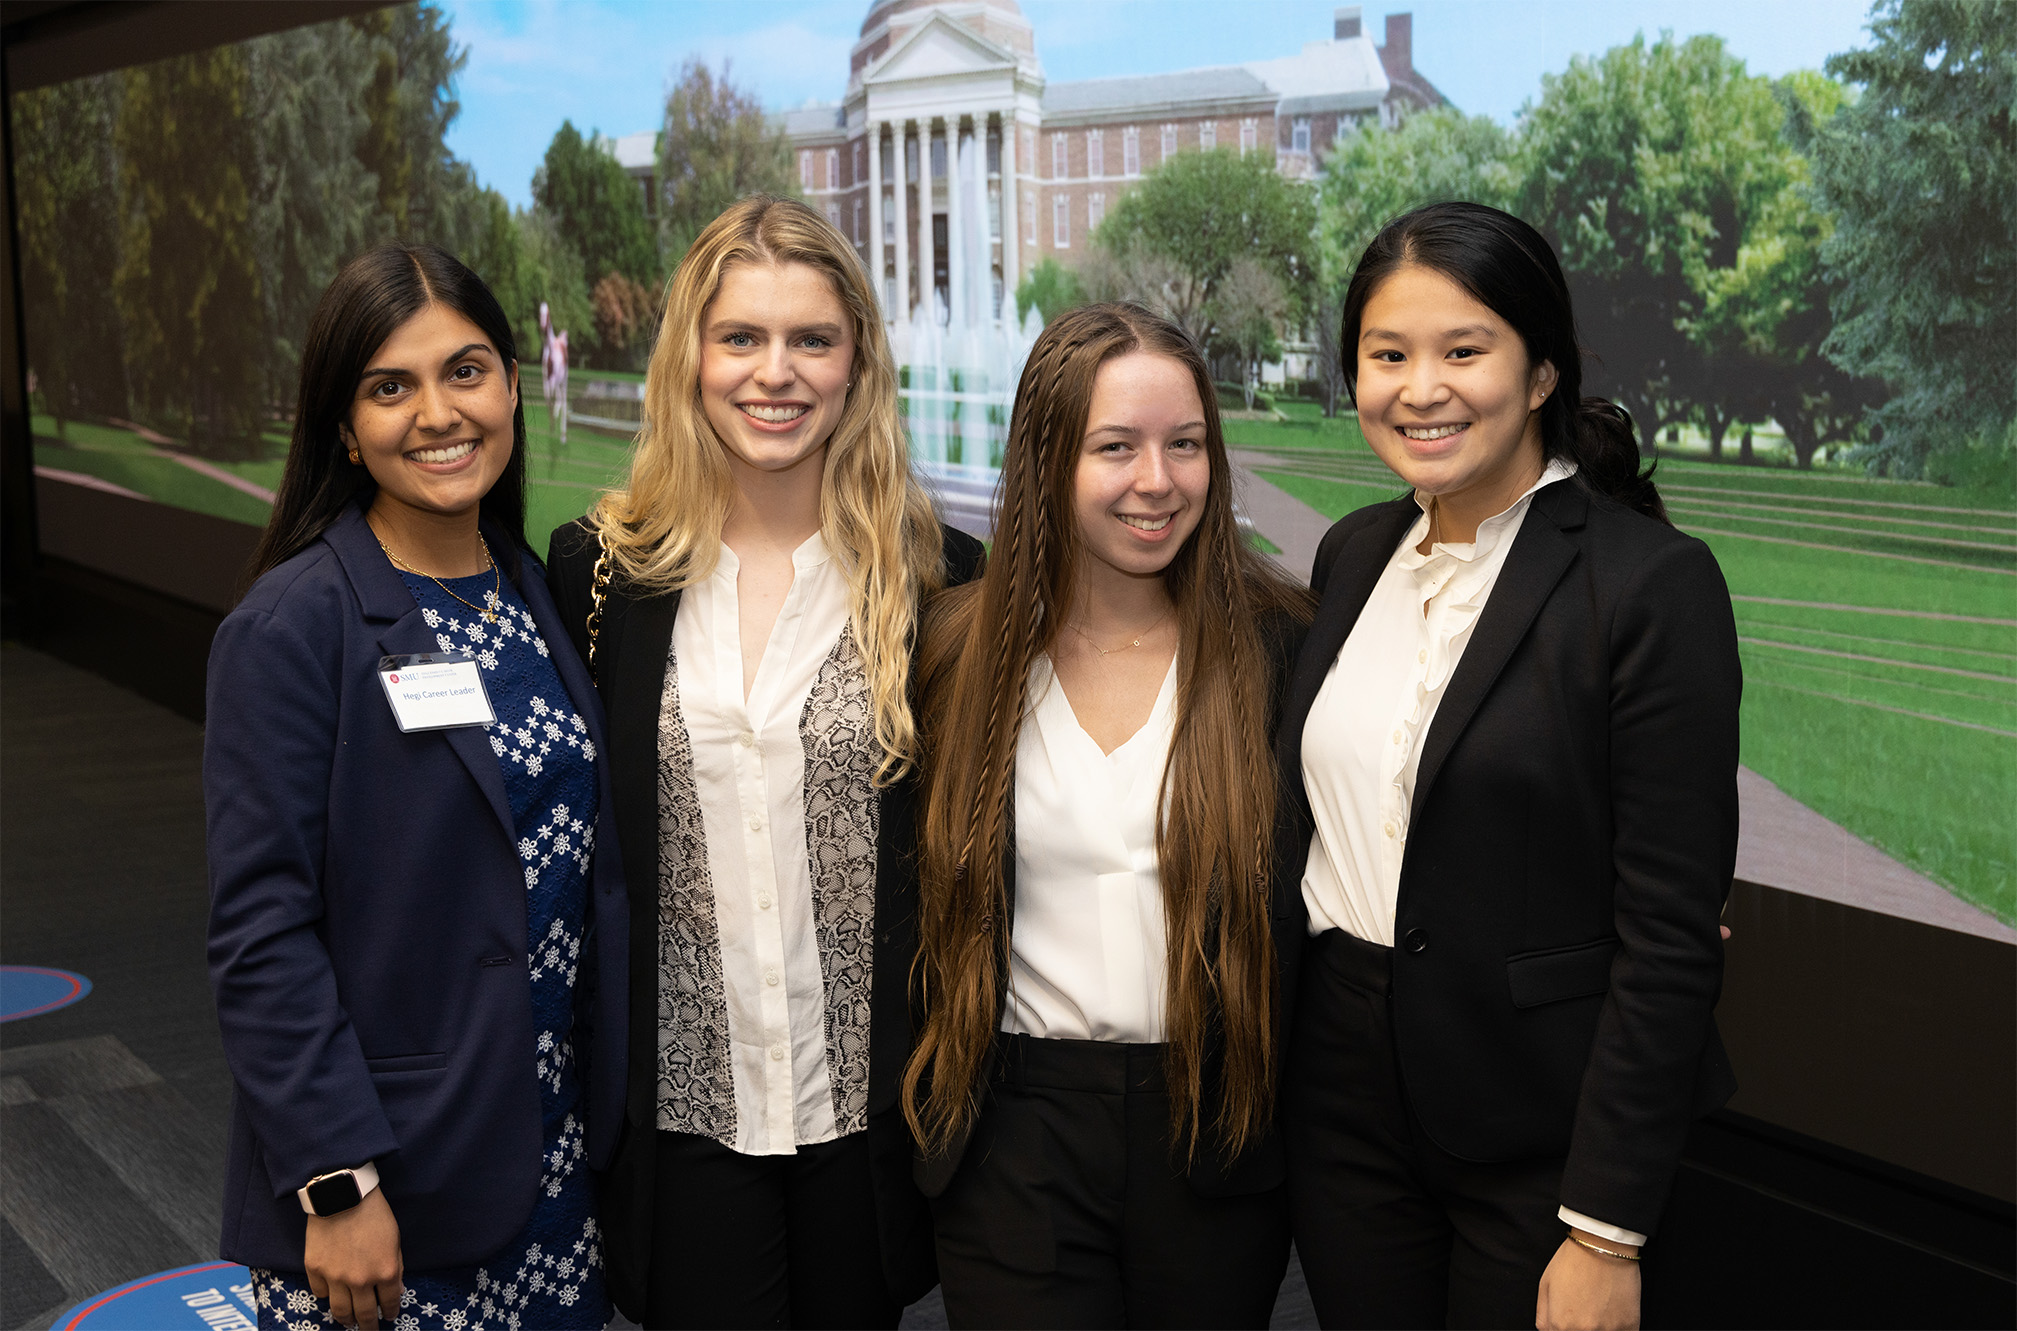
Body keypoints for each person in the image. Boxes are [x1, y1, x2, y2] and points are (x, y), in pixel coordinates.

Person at [1276, 201, 1741, 1331]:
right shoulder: (1352, 553)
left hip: (1543, 1135)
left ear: (1538, 374)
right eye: (1387, 355)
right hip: (1340, 1100)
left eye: (1463, 350)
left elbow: (1672, 932)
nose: (1419, 387)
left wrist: (1604, 1225)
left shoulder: (1649, 585)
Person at [544, 195, 982, 1330]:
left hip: (866, 1113)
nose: (773, 372)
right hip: (684, 1110)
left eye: (811, 339)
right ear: (691, 356)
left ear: (857, 363)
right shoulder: (601, 570)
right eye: (740, 336)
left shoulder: (943, 579)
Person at [205, 243, 628, 1331]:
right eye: (390, 386)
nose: (439, 413)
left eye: (467, 370)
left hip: (548, 1160)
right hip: (382, 1188)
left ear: (513, 387)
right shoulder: (291, 626)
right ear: (345, 427)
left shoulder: (532, 591)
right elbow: (261, 934)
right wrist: (338, 1177)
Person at [903, 302, 1313, 1328]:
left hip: (1214, 1129)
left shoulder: (1279, 649)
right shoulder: (956, 652)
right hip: (1015, 1134)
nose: (1157, 479)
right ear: (1047, 459)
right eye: (1115, 446)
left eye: (1185, 445)